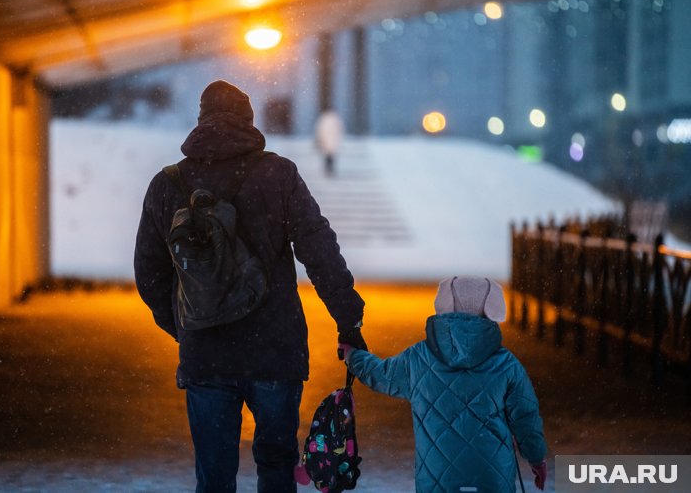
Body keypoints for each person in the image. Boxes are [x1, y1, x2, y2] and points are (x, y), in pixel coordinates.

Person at [133, 80, 367, 493]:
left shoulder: (168, 184)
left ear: (201, 120)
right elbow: (319, 249)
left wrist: (187, 325)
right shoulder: (278, 174)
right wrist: (348, 319)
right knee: (277, 465)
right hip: (275, 351)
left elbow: (150, 272)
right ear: (249, 120)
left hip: (206, 355)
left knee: (214, 475)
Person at [340, 276, 548, 493]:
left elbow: (382, 376)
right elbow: (526, 419)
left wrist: (353, 356)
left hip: (436, 479)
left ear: (445, 303)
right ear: (491, 309)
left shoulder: (418, 357)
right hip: (493, 479)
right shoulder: (507, 364)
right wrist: (536, 458)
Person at [314, 109, 344, 177]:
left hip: (328, 140)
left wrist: (320, 139)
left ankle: (328, 170)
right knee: (330, 156)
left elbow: (320, 130)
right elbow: (339, 129)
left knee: (328, 156)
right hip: (331, 140)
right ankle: (329, 170)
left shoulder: (324, 119)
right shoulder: (335, 119)